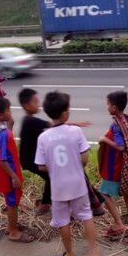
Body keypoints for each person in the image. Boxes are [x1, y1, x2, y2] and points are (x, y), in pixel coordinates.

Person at [35, 91, 106, 256]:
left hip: (58, 187)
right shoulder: (75, 131)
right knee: (86, 215)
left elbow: (41, 166)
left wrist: (54, 166)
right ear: (66, 113)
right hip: (78, 184)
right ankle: (93, 252)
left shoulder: (43, 137)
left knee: (63, 221)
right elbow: (84, 158)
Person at [17, 88, 101, 216]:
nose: (38, 104)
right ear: (26, 106)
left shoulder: (29, 121)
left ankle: (47, 204)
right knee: (54, 175)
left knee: (52, 177)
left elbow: (54, 125)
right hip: (31, 160)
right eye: (35, 101)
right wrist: (75, 125)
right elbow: (54, 124)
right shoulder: (30, 121)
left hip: (32, 159)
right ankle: (48, 205)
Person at [0, 97, 35, 243]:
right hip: (8, 173)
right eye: (8, 110)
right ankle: (13, 232)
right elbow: (2, 158)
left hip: (4, 172)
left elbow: (3, 146)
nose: (10, 112)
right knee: (12, 203)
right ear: (0, 115)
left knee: (11, 201)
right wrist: (13, 177)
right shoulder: (3, 134)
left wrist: (10, 123)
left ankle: (11, 225)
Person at [98, 90, 128, 238]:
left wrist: (104, 139)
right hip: (125, 165)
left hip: (115, 167)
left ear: (114, 108)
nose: (106, 107)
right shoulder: (126, 119)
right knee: (126, 192)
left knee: (104, 193)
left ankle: (118, 223)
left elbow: (120, 146)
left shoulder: (116, 125)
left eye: (108, 104)